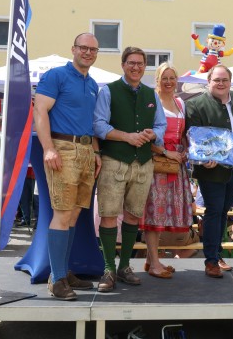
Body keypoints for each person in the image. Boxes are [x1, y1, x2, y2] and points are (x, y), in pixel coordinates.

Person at [34, 32, 102, 301]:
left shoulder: (93, 83)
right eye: (83, 48)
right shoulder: (56, 76)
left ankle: (63, 271)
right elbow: (40, 111)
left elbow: (92, 122)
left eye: (93, 50)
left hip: (85, 150)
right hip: (63, 149)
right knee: (62, 214)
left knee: (73, 215)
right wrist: (48, 148)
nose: (88, 53)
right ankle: (57, 279)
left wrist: (95, 151)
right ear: (73, 49)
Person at [94, 46, 166, 289]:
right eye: (131, 63)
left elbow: (161, 125)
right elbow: (99, 125)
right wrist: (127, 136)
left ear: (145, 67)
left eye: (140, 63)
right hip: (114, 160)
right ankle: (108, 269)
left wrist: (152, 134)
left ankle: (124, 266)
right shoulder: (108, 91)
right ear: (123, 65)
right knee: (109, 215)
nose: (136, 67)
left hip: (143, 163)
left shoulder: (151, 94)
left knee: (134, 214)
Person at [185, 64, 233, 278]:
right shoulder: (196, 104)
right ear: (209, 81)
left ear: (230, 82)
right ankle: (211, 260)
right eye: (217, 80)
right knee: (214, 211)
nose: (221, 83)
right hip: (211, 169)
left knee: (224, 210)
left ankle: (217, 253)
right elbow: (193, 137)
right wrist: (203, 158)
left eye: (225, 80)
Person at [141, 62, 192, 279]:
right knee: (155, 213)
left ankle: (151, 260)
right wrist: (165, 152)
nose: (169, 82)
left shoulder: (180, 103)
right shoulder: (151, 102)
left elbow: (183, 134)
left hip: (177, 163)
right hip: (158, 163)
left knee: (165, 212)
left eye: (172, 78)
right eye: (165, 78)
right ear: (157, 81)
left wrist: (187, 149)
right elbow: (145, 135)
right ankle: (154, 264)